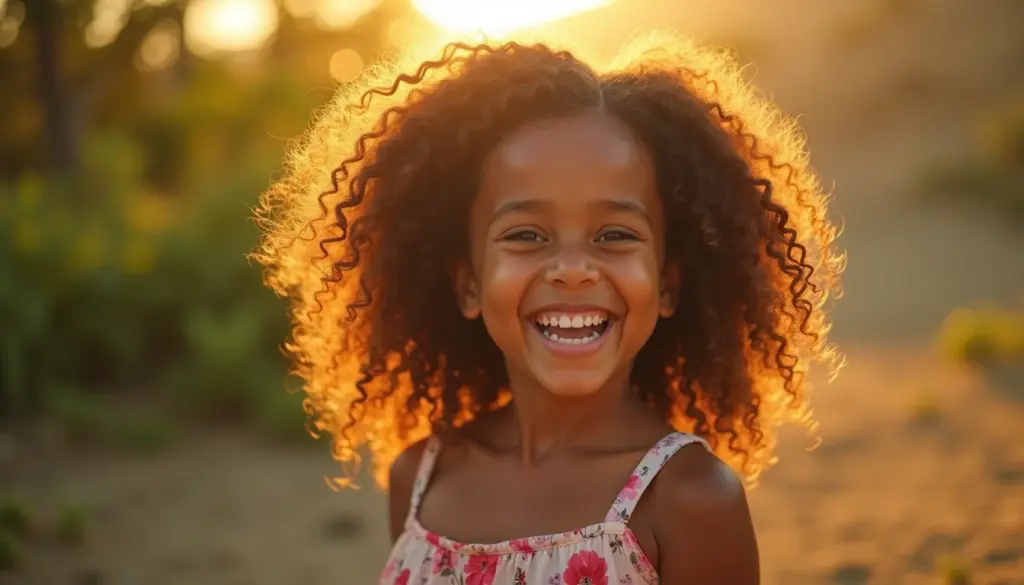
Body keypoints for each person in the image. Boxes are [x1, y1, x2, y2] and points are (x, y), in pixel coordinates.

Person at [254, 30, 843, 585]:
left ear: (667, 286)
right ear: (468, 284)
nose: (572, 269)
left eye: (615, 235)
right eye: (526, 235)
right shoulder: (421, 478)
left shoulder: (690, 500)